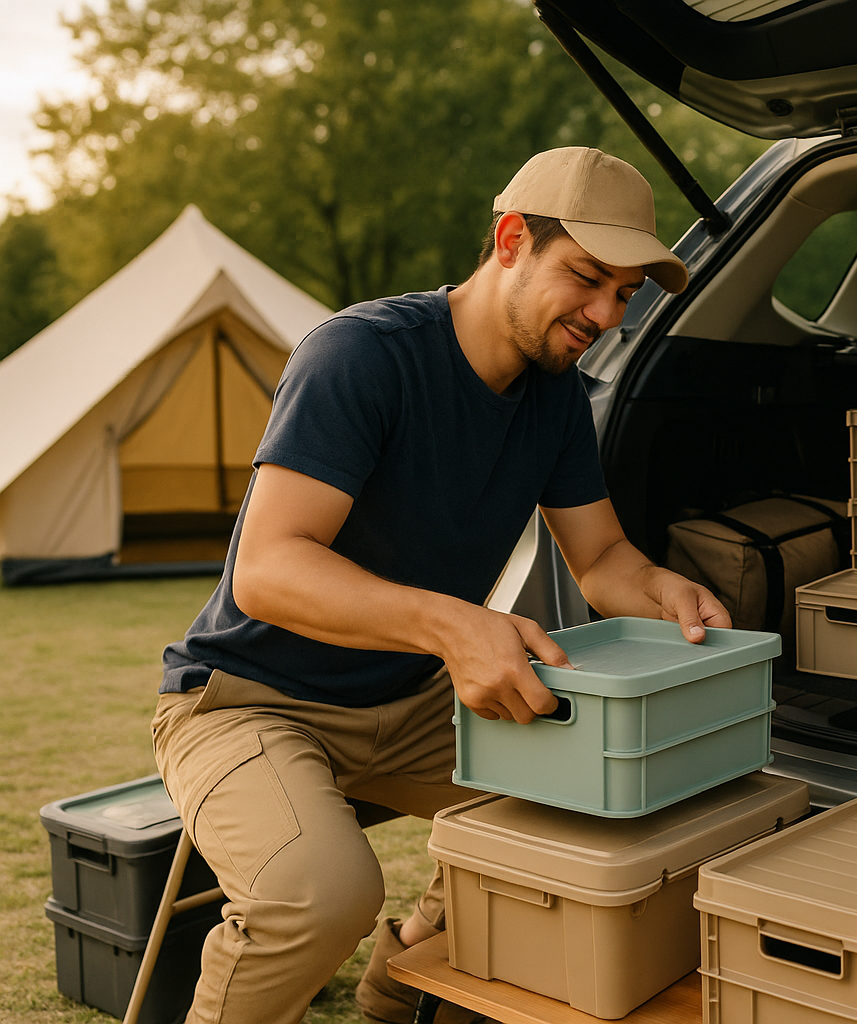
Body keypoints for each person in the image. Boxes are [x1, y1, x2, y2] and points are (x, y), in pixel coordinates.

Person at [151, 147, 731, 1024]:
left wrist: (666, 591)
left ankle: (401, 992)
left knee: (599, 808)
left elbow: (603, 560)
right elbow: (269, 570)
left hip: (408, 701)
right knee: (322, 895)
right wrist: (455, 627)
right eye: (587, 278)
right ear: (510, 241)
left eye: (625, 294)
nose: (606, 314)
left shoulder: (555, 396)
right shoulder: (362, 355)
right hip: (247, 702)